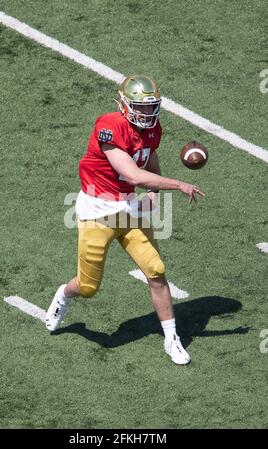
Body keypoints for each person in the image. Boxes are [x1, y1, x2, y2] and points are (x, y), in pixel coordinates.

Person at [45, 74, 205, 365]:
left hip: (129, 209)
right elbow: (131, 173)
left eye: (150, 107)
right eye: (140, 107)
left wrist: (154, 189)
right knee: (88, 287)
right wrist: (177, 184)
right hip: (97, 212)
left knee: (156, 271)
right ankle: (64, 295)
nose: (146, 113)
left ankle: (172, 338)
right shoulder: (109, 126)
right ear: (123, 104)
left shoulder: (153, 128)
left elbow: (148, 155)